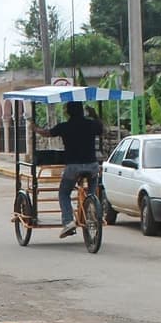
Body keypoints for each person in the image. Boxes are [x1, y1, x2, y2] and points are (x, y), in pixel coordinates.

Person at [35, 101, 103, 238]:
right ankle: (92, 206)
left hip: (73, 167)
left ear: (68, 112)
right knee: (92, 189)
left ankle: (68, 222)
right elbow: (102, 129)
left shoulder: (64, 126)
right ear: (82, 111)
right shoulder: (91, 124)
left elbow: (47, 133)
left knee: (64, 193)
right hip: (92, 165)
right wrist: (95, 115)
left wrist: (35, 128)